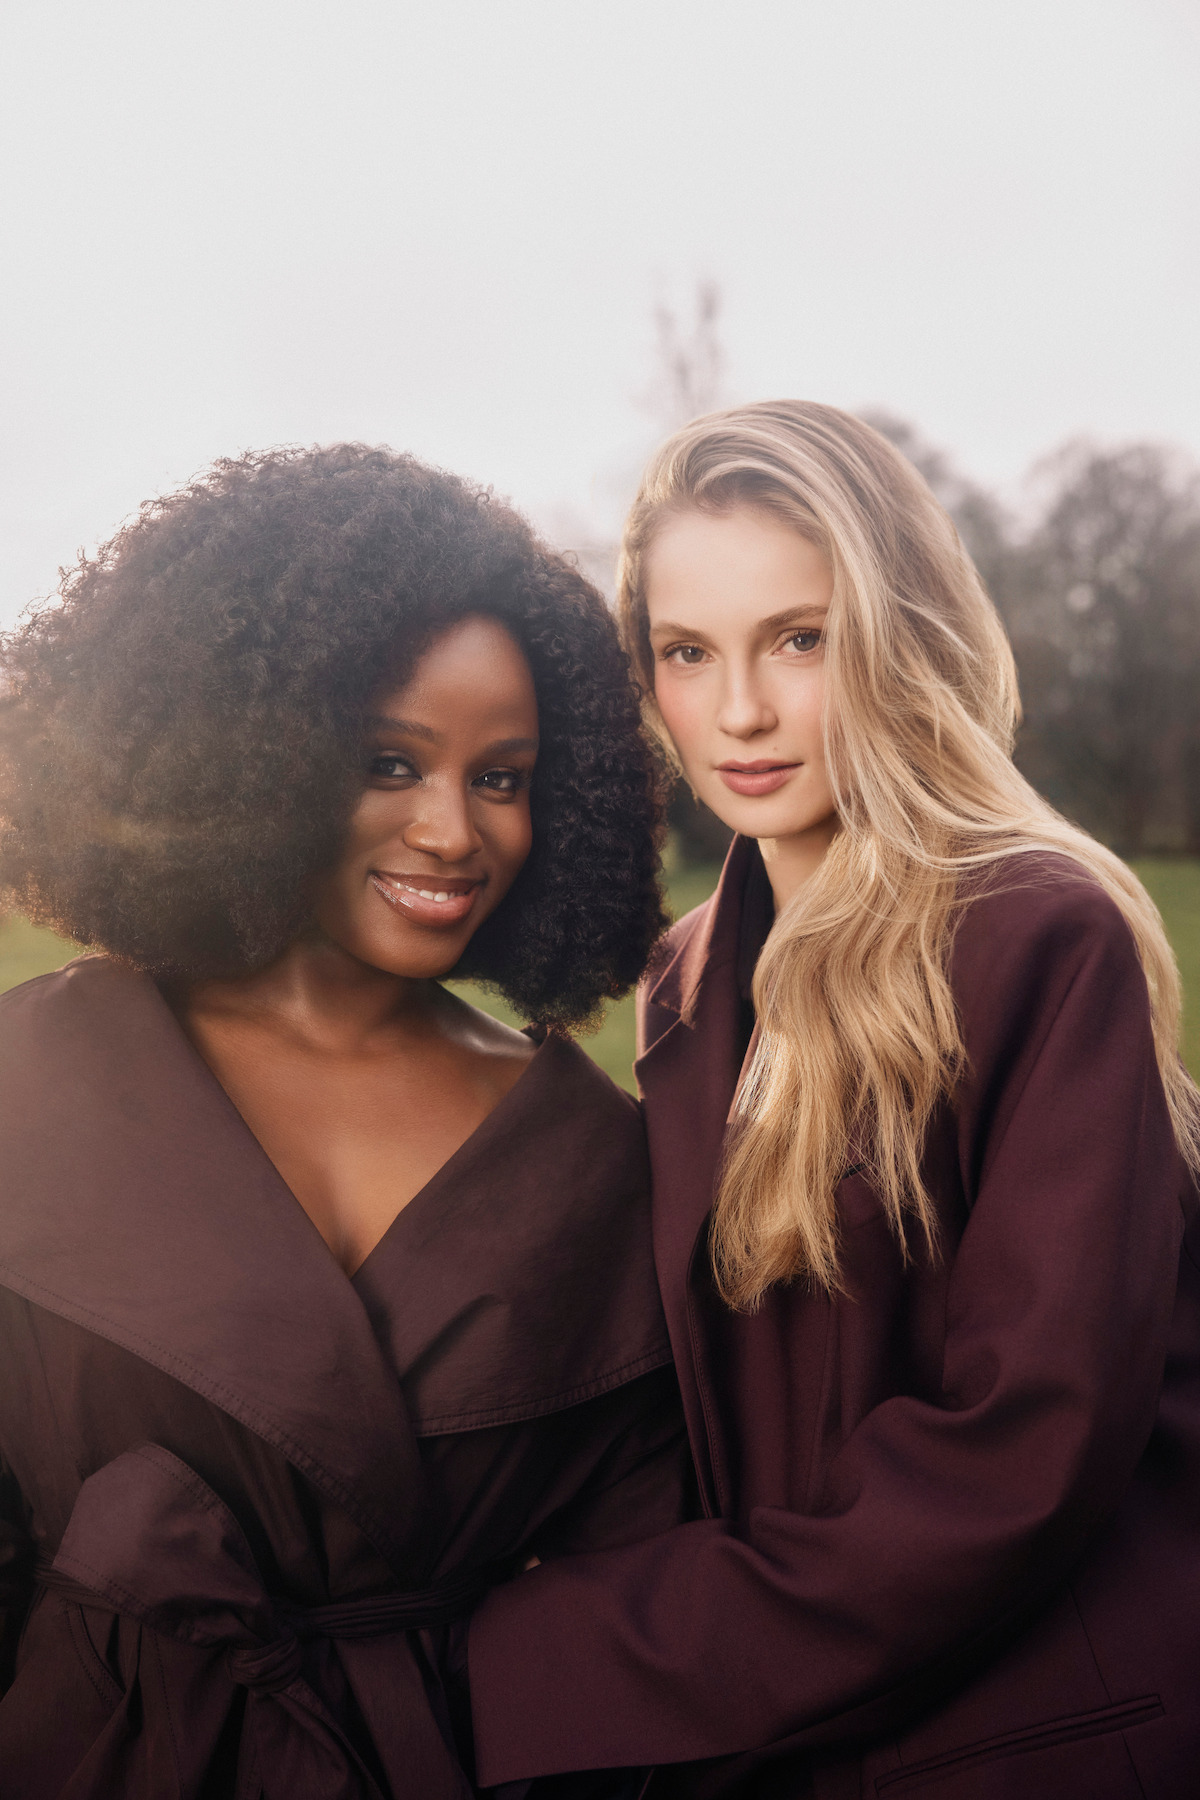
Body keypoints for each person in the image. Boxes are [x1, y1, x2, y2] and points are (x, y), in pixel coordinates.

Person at [465, 402, 1200, 1798]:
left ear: (897, 631)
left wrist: (552, 1654)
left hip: (1038, 1728)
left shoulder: (1037, 935)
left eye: (798, 639)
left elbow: (1018, 1464)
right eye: (687, 653)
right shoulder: (681, 982)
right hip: (797, 1717)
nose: (738, 710)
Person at [0, 444, 692, 1799]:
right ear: (246, 756)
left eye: (502, 777)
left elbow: (639, 1580)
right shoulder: (32, 1083)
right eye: (391, 761)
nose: (452, 832)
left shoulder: (598, 1157)